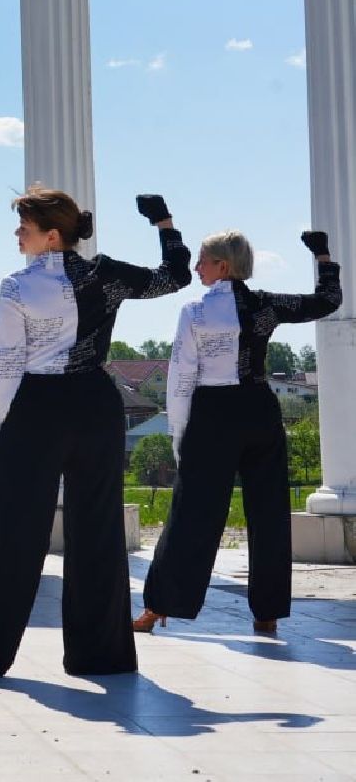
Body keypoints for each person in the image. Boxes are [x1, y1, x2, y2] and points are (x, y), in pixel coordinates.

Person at [0, 190, 191, 677]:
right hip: (97, 405)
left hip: (40, 405)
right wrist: (163, 222)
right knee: (97, 529)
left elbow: (6, 364)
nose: (17, 235)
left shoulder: (17, 287)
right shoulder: (109, 274)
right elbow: (175, 275)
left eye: (24, 228)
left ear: (51, 236)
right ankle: (102, 655)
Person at [135, 229, 341, 636]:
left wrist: (179, 433)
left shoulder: (194, 311)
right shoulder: (266, 304)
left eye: (202, 261)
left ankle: (158, 607)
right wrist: (322, 257)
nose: (196, 268)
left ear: (222, 266)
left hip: (213, 413)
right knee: (269, 513)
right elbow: (328, 301)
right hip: (260, 408)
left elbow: (180, 378)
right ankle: (268, 612)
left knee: (191, 514)